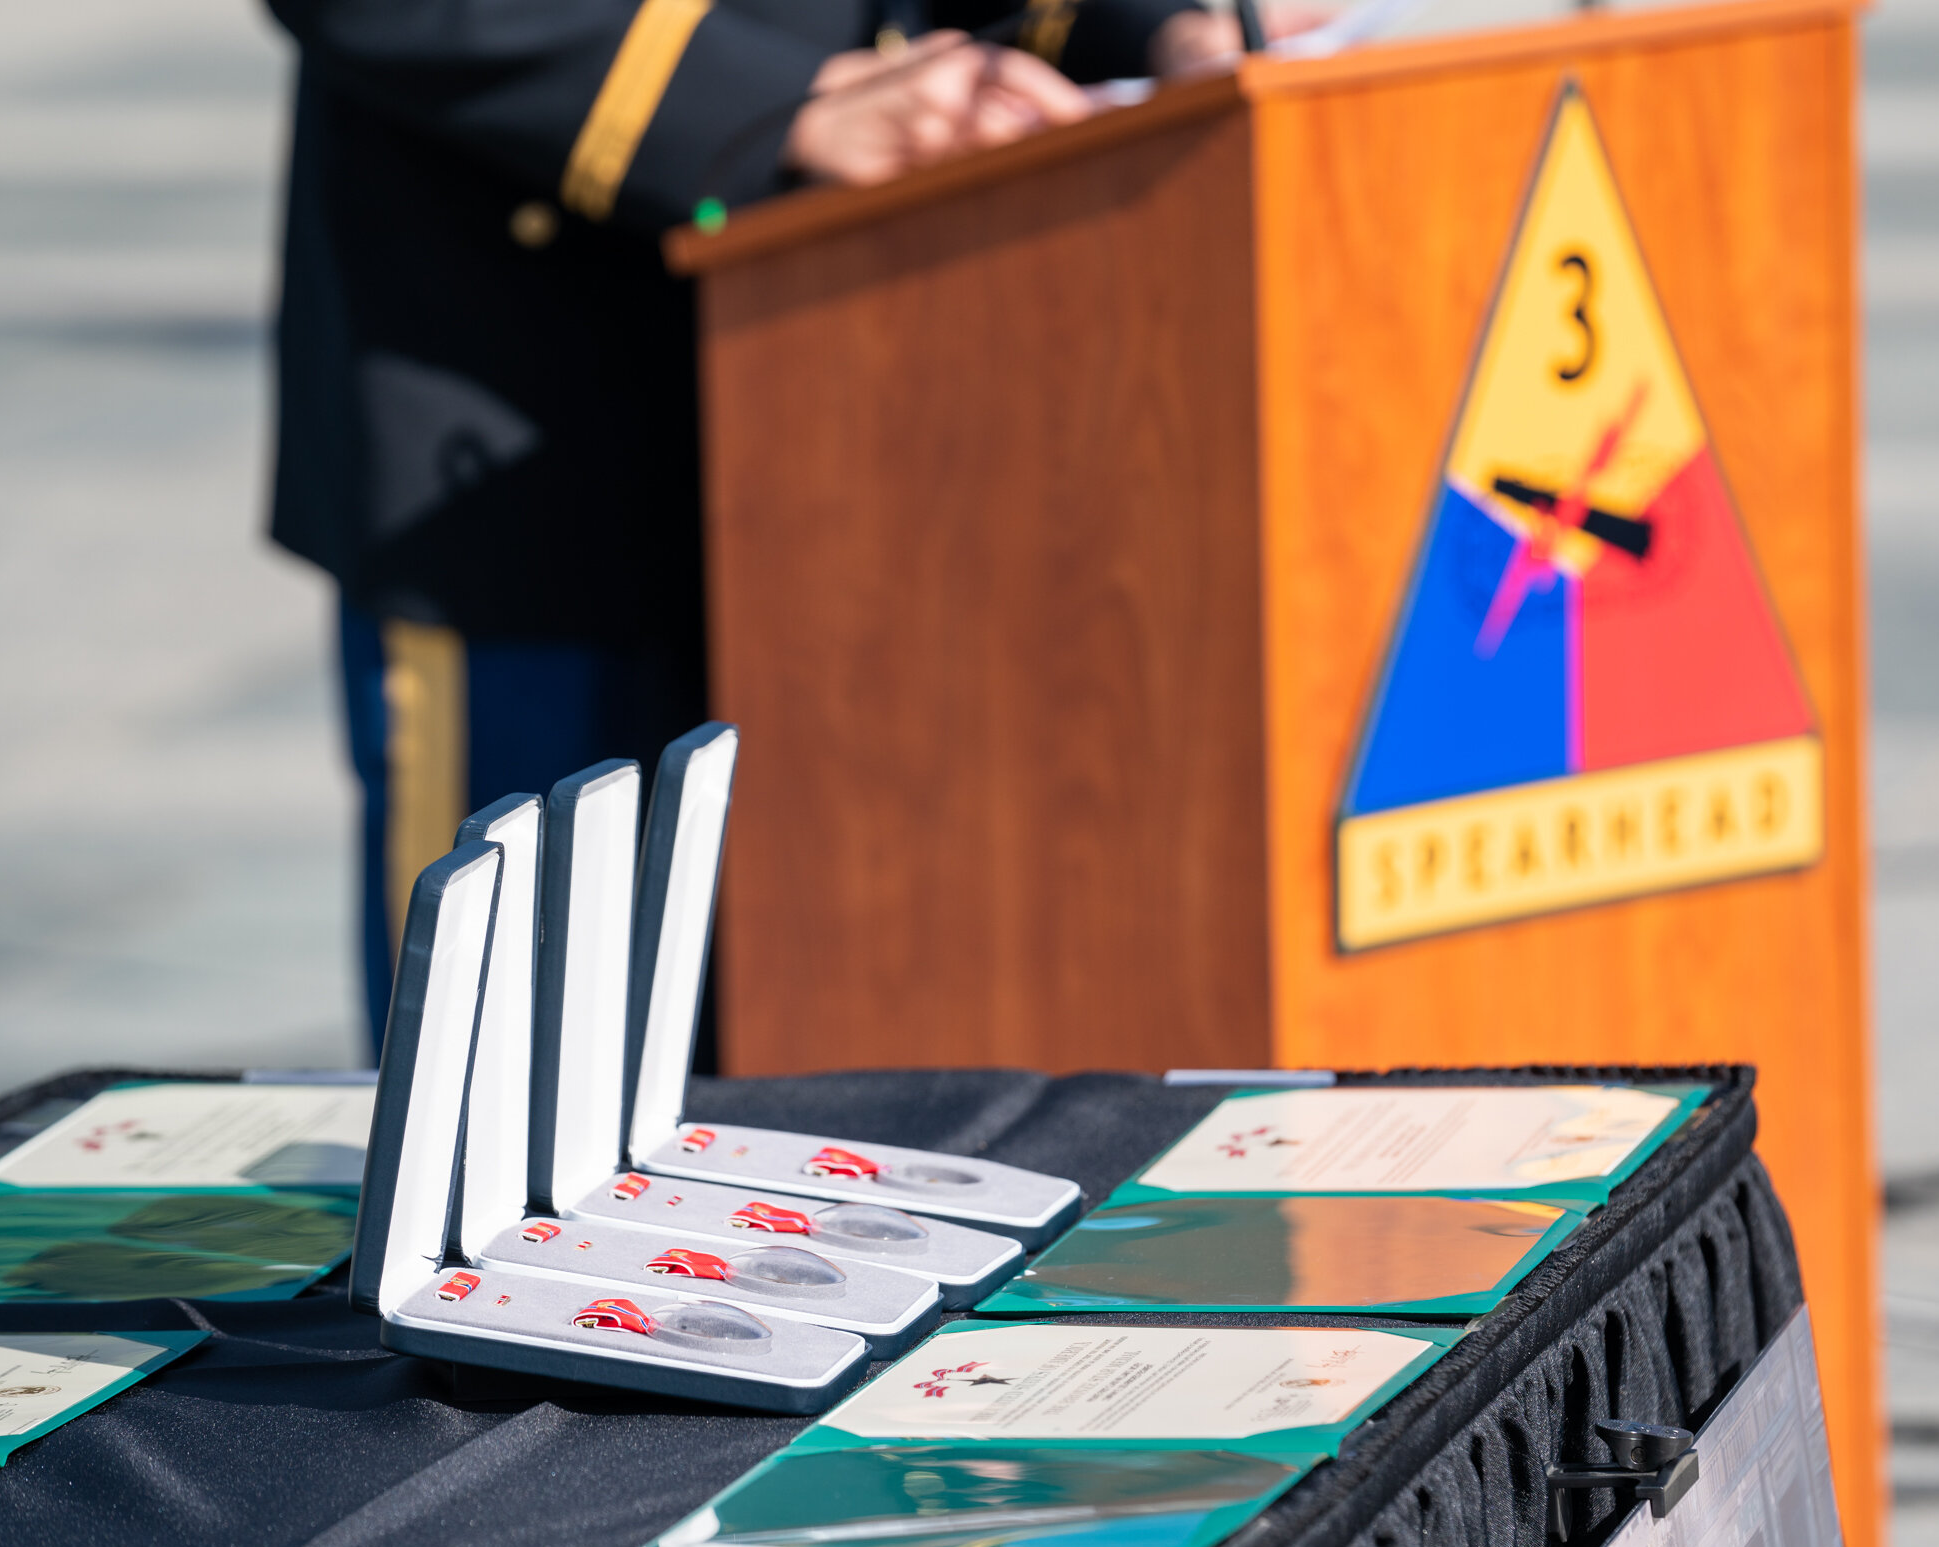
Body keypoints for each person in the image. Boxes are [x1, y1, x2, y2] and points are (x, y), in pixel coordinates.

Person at [263, 0, 1269, 1049]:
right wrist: (762, 110)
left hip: (909, 439)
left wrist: (1159, 27)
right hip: (536, 420)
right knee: (521, 1098)